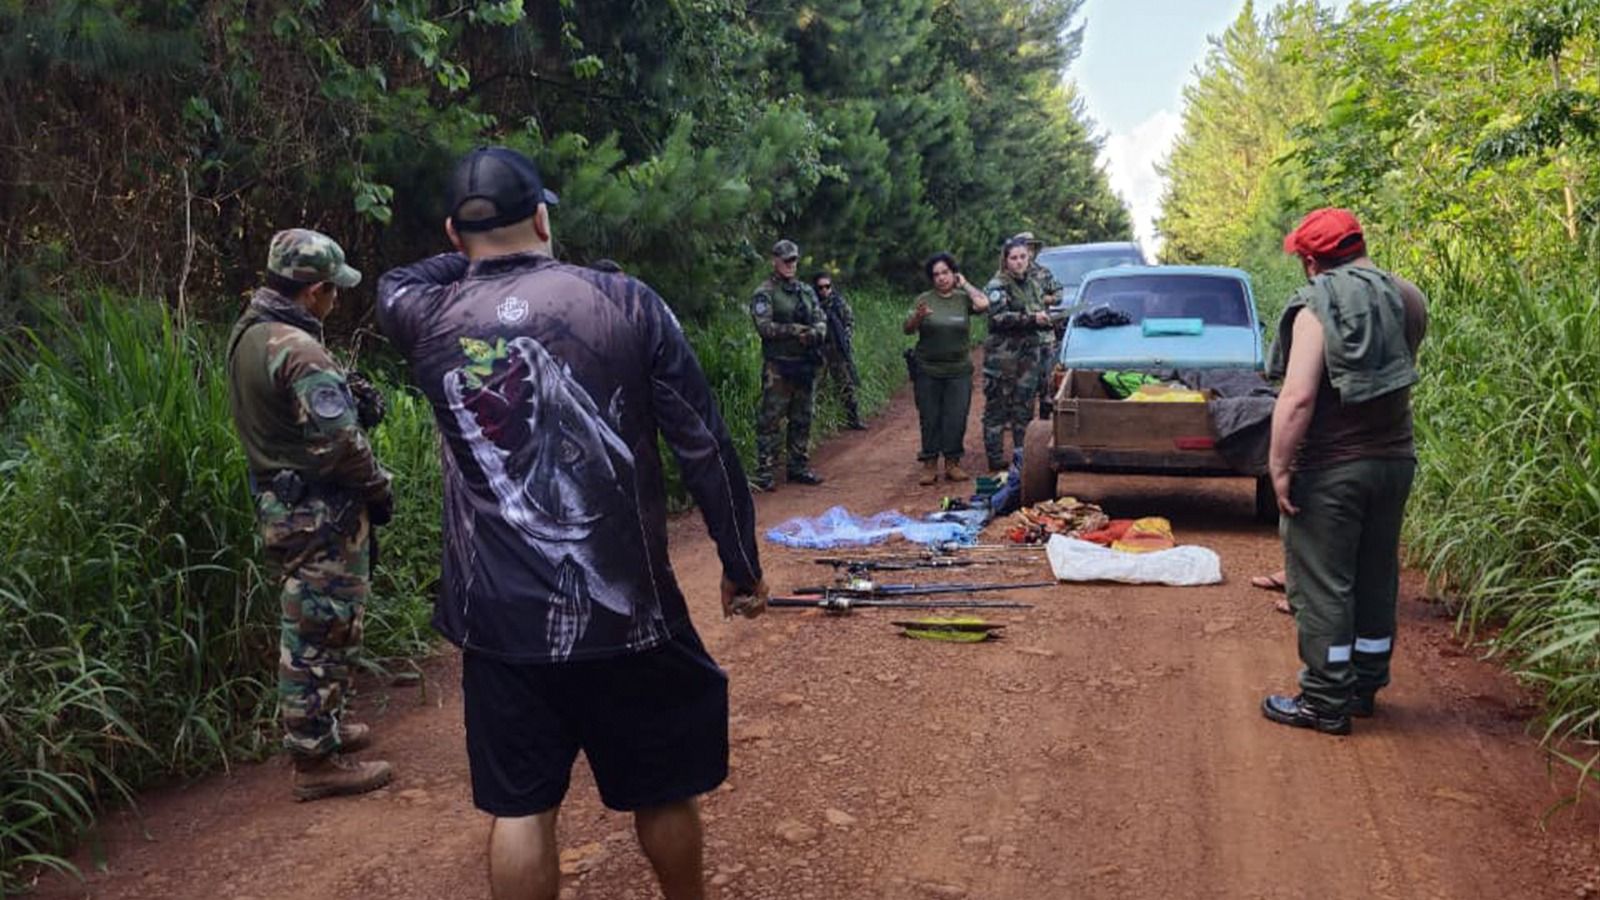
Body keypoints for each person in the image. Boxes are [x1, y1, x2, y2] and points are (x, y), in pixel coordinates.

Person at [376, 146, 768, 900]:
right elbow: (703, 443)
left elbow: (401, 277)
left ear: (454, 237)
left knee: (521, 810)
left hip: (499, 625)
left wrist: (476, 253)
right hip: (630, 612)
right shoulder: (624, 300)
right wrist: (740, 562)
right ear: (544, 215)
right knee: (662, 790)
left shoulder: (424, 313)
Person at [225, 228, 395, 801]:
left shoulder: (250, 334)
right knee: (318, 627)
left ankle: (326, 728)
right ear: (313, 291)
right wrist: (379, 488)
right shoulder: (298, 348)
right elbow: (340, 443)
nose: (336, 300)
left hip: (285, 501)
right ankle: (313, 763)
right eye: (332, 290)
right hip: (318, 510)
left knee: (325, 621)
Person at [1260, 208, 1427, 736]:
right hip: (1395, 462)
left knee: (1326, 584)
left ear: (1311, 261)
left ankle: (1324, 700)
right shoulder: (1407, 296)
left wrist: (1279, 466)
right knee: (1377, 575)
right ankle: (1364, 686)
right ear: (1360, 244)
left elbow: (1300, 396)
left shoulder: (1315, 308)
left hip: (1333, 468)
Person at [904, 252, 990, 485]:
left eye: (945, 273)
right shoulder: (924, 299)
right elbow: (908, 329)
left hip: (958, 369)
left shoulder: (963, 299)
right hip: (928, 368)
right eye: (936, 275)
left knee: (956, 416)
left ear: (953, 273)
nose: (941, 278)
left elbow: (983, 303)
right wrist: (919, 317)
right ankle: (929, 464)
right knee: (930, 416)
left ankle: (952, 463)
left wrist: (965, 284)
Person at [750, 239, 827, 490]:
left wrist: (814, 333)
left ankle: (798, 466)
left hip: (804, 363)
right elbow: (764, 327)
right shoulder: (765, 292)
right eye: (785, 260)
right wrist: (794, 330)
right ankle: (765, 471)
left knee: (802, 416)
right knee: (771, 418)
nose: (790, 265)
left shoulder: (805, 290)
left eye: (793, 260)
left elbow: (820, 319)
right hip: (779, 366)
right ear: (775, 261)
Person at [981, 237, 1055, 473]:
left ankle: (1021, 459)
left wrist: (1045, 321)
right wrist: (1031, 319)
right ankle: (994, 458)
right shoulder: (997, 285)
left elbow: (1037, 313)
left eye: (1023, 257)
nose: (1019, 262)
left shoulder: (1033, 284)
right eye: (1014, 258)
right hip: (1002, 360)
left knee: (1024, 410)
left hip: (1029, 358)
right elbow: (997, 318)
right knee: (997, 411)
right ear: (1005, 260)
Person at [1011, 232, 1065, 419]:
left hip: (1044, 336)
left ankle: (1043, 419)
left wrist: (1044, 299)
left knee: (1046, 381)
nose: (1028, 251)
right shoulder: (1009, 275)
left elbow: (1059, 295)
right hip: (1020, 335)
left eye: (1031, 247)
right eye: (1025, 246)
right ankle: (1020, 422)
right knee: (1021, 381)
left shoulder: (1043, 273)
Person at [813, 271, 866, 431]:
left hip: (837, 349)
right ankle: (815, 425)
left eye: (827, 286)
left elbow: (849, 321)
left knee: (845, 385)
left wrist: (845, 337)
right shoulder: (812, 305)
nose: (824, 290)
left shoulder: (838, 303)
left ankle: (853, 419)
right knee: (814, 388)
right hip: (819, 350)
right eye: (820, 287)